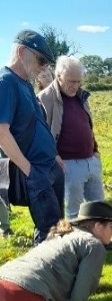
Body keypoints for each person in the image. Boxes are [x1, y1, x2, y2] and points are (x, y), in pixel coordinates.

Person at [37, 56, 112, 250]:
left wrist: (95, 151)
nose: (75, 85)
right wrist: (54, 156)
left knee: (98, 205)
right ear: (58, 76)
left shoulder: (81, 96)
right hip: (68, 163)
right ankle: (78, 247)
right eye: (71, 81)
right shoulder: (45, 98)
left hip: (90, 160)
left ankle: (101, 242)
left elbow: (88, 125)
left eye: (79, 81)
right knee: (74, 210)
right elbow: (40, 133)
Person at [0, 29, 64, 245]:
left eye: (47, 63)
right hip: (36, 170)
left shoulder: (25, 83)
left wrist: (55, 156)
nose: (44, 67)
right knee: (50, 234)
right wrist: (28, 170)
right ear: (20, 51)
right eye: (41, 60)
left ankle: (55, 275)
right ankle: (45, 276)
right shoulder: (6, 82)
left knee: (57, 229)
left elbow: (38, 123)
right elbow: (1, 132)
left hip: (50, 166)